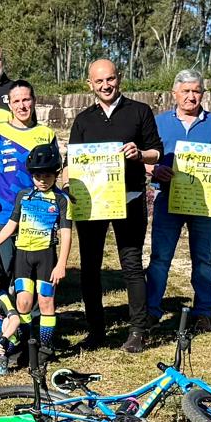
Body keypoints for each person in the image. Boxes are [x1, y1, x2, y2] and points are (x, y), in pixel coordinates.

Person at [68, 59, 163, 352]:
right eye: (99, 82)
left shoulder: (139, 111)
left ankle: (138, 330)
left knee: (131, 266)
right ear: (90, 84)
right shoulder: (83, 120)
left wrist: (140, 153)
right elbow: (72, 161)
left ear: (119, 78)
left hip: (130, 199)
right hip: (92, 205)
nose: (105, 86)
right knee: (90, 269)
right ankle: (96, 330)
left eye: (110, 79)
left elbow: (157, 153)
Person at [145, 69, 211, 334]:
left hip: (203, 203)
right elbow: (145, 158)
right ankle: (152, 311)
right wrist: (153, 170)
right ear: (174, 94)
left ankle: (203, 313)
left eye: (196, 91)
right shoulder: (158, 122)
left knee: (203, 259)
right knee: (160, 258)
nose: (190, 96)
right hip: (166, 199)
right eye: (185, 91)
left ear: (203, 94)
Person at [0, 142, 72, 354]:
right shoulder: (23, 196)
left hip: (46, 256)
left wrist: (61, 265)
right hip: (23, 255)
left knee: (46, 301)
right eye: (38, 176)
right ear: (31, 175)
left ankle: (45, 346)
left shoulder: (61, 199)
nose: (43, 181)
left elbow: (67, 233)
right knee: (22, 302)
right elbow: (11, 226)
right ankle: (25, 344)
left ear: (56, 174)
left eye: (48, 176)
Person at [0, 80, 56, 280]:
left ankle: (34, 309)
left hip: (37, 213)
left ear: (34, 101)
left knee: (33, 268)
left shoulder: (46, 134)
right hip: (3, 211)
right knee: (5, 268)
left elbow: (55, 172)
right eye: (17, 101)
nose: (22, 106)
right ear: (9, 105)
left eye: (26, 100)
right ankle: (7, 308)